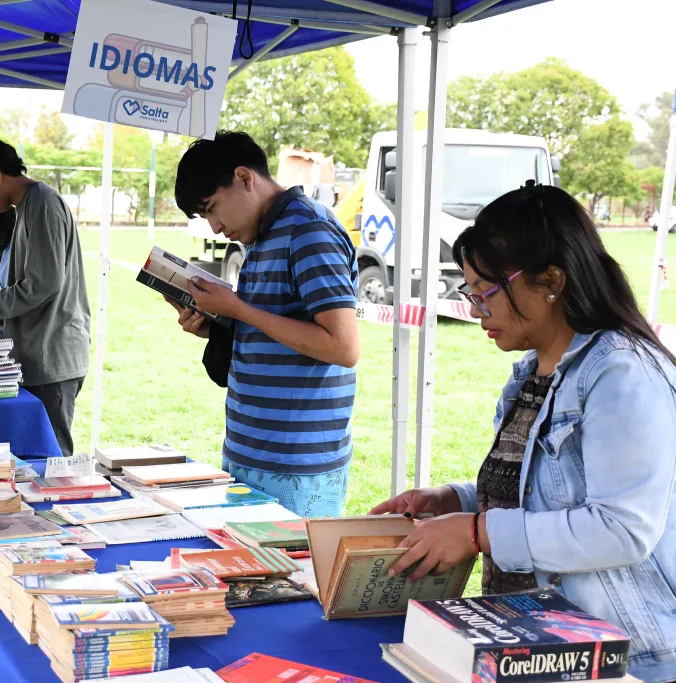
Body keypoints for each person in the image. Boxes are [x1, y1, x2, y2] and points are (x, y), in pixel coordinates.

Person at [369, 182, 676, 683]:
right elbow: (543, 494)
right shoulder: (532, 374)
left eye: (485, 294)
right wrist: (456, 500)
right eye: (469, 294)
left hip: (620, 658)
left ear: (550, 280)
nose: (474, 311)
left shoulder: (623, 373)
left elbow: (622, 528)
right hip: (533, 645)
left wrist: (476, 532)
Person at [171, 131, 360, 517]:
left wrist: (240, 310)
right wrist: (218, 326)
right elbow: (277, 326)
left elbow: (343, 347)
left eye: (212, 208)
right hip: (250, 451)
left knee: (292, 577)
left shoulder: (309, 231)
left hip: (297, 464)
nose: (215, 227)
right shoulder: (263, 235)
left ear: (244, 178)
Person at [0, 138, 91, 457]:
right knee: (29, 458)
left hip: (51, 356)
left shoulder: (42, 204)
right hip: (36, 354)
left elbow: (42, 285)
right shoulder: (28, 206)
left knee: (49, 460)